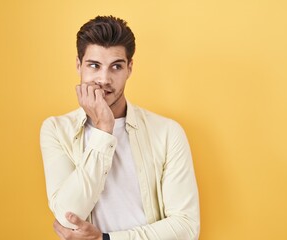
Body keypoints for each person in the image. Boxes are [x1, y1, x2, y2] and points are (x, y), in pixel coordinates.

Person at [40, 15, 200, 240]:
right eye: (94, 65)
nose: (104, 79)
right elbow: (69, 216)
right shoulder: (57, 130)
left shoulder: (167, 133)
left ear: (130, 68)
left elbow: (186, 227)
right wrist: (104, 129)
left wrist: (106, 239)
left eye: (116, 66)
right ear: (79, 65)